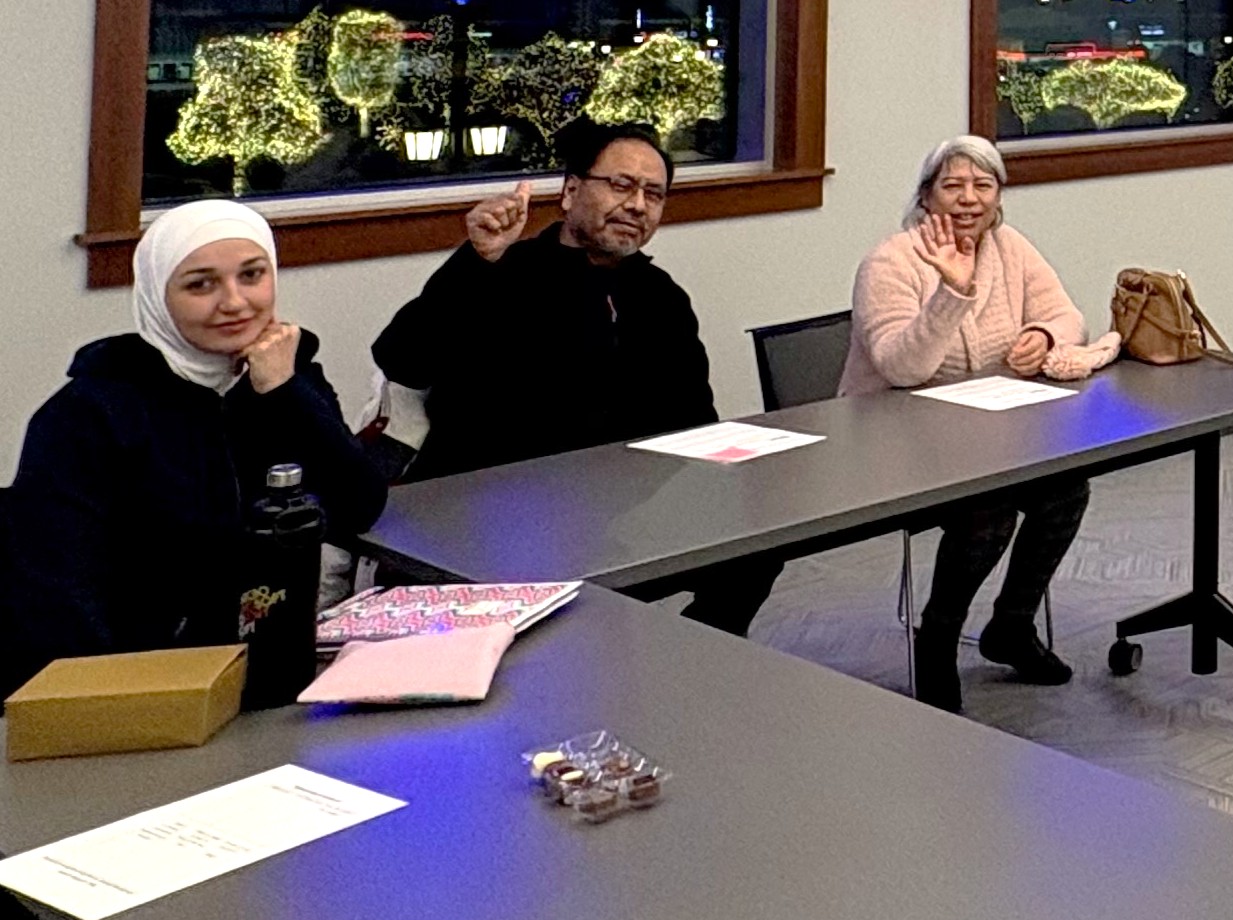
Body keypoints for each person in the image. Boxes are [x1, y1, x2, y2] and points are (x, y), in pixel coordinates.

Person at [371, 119, 770, 629]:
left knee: (754, 549)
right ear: (571, 192)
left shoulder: (660, 297)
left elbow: (693, 422)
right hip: (486, 512)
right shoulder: (503, 272)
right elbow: (401, 359)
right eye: (621, 185)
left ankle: (681, 659)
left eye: (654, 194)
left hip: (613, 512)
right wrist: (475, 262)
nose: (637, 205)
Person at [7, 201, 387, 696]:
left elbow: (357, 506)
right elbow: (60, 595)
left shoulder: (286, 374)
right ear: (157, 296)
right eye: (200, 285)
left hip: (271, 664)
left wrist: (283, 394)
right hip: (143, 681)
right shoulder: (90, 412)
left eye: (252, 275)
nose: (234, 302)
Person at [842, 137, 1119, 712]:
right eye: (953, 186)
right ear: (926, 197)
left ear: (999, 197)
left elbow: (1068, 315)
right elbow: (900, 368)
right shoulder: (890, 263)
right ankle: (937, 640)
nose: (969, 199)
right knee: (987, 507)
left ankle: (1011, 625)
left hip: (992, 435)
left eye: (983, 186)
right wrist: (953, 291)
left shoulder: (1010, 246)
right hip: (896, 442)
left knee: (1066, 489)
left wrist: (1043, 335)